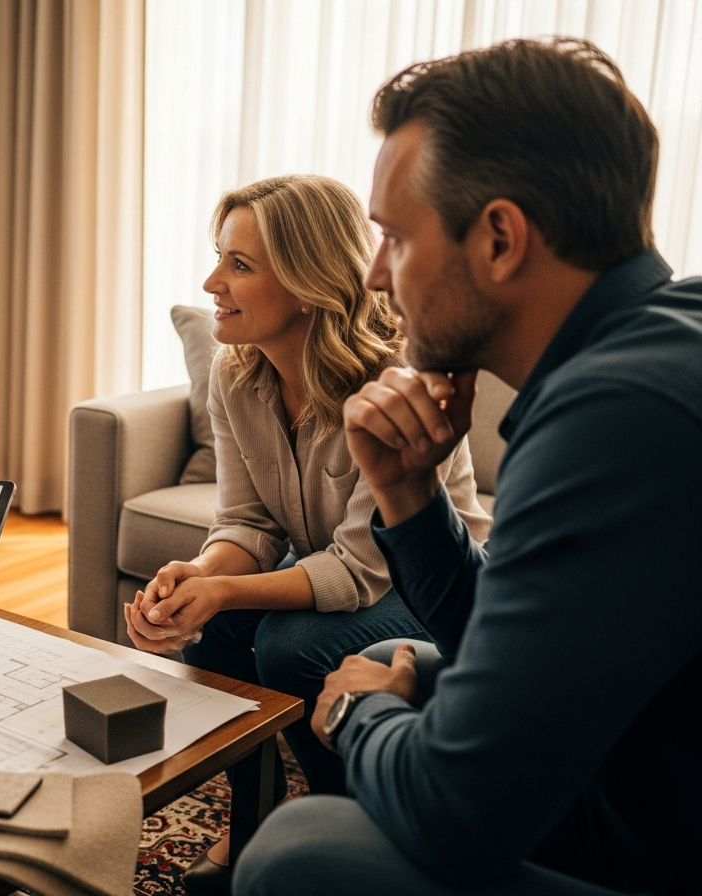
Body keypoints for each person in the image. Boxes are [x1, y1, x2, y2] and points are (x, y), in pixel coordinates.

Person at [234, 38, 702, 896]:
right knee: (419, 657)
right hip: (651, 786)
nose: (375, 278)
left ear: (498, 238)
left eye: (394, 239)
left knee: (299, 851)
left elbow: (455, 810)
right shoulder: (661, 344)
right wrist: (408, 497)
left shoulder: (611, 419)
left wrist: (353, 708)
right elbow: (540, 643)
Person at [123, 175, 491, 892]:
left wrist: (224, 588)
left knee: (289, 643)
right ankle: (253, 813)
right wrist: (200, 575)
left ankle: (345, 810)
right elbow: (247, 521)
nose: (211, 281)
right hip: (341, 567)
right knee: (219, 628)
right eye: (218, 256)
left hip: (436, 586)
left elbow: (361, 570)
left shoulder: (391, 380)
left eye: (239, 264)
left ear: (306, 283)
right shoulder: (235, 374)